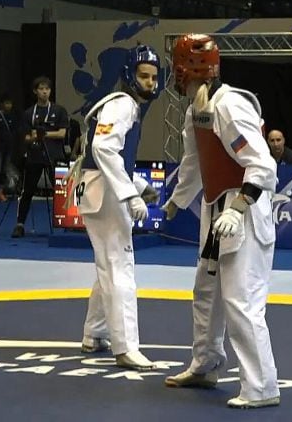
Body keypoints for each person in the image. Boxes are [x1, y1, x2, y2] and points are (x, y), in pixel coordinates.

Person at [161, 33, 280, 409]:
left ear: (185, 68)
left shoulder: (231, 106)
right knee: (207, 293)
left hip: (244, 210)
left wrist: (238, 208)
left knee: (242, 300)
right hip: (216, 209)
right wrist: (175, 203)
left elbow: (263, 165)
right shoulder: (197, 109)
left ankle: (262, 387)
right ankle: (206, 364)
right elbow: (195, 164)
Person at [68, 45, 162, 371]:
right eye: (143, 76)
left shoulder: (123, 106)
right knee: (120, 265)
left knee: (109, 262)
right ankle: (126, 347)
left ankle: (95, 333)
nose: (150, 83)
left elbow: (107, 157)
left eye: (153, 77)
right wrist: (129, 194)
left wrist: (138, 187)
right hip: (105, 193)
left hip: (100, 189)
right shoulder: (122, 105)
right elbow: (103, 148)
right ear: (128, 76)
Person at [12, 77, 69, 237]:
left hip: (54, 156)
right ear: (35, 91)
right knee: (27, 191)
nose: (44, 92)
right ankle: (20, 224)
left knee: (61, 191)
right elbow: (26, 137)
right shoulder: (29, 113)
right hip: (34, 156)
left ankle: (68, 223)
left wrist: (44, 134)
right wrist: (35, 137)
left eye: (47, 89)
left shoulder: (59, 111)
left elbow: (62, 133)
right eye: (41, 89)